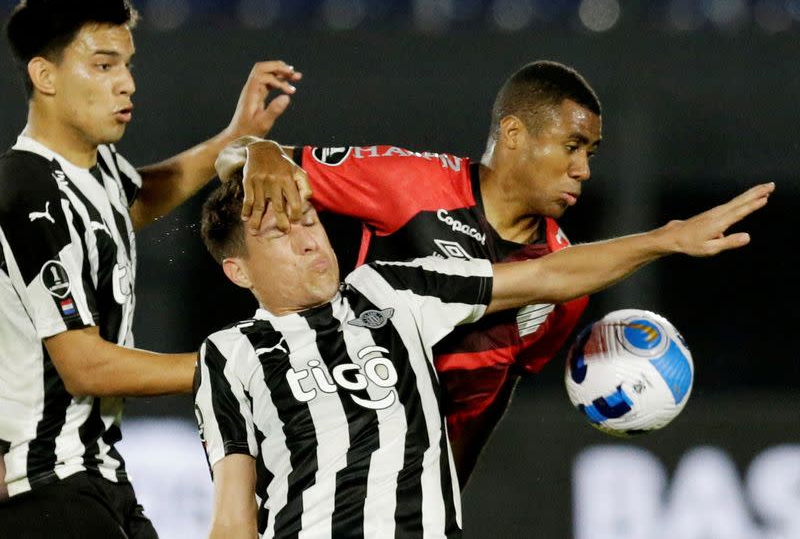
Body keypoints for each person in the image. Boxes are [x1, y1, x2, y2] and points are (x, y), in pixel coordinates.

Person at [195, 166, 772, 538]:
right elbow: (233, 518)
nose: (308, 239)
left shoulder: (391, 290)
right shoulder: (228, 355)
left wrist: (664, 239)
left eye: (309, 217)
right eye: (279, 234)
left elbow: (548, 276)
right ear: (237, 270)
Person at [0, 0, 300, 538]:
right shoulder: (27, 192)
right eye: (104, 65)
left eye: (128, 65)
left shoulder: (98, 172)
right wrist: (228, 364)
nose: (127, 84)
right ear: (45, 77)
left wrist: (233, 138)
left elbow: (139, 197)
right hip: (41, 491)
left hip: (98, 480)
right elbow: (84, 364)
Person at [215, 60, 603, 485]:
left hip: (417, 508)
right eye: (572, 146)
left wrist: (447, 501)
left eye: (589, 153)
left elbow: (491, 398)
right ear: (513, 134)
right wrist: (261, 151)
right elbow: (233, 160)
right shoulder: (407, 184)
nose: (582, 170)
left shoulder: (565, 289)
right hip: (325, 471)